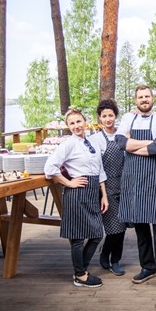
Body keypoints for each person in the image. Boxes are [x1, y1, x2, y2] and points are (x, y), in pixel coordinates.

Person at [116, 86, 156, 296]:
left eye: (147, 96)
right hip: (133, 178)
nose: (144, 99)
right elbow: (120, 142)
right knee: (141, 227)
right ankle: (148, 267)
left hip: (155, 179)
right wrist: (145, 143)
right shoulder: (127, 118)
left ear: (153, 99)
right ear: (136, 100)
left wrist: (133, 146)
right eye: (140, 97)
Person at [44, 107, 109, 288]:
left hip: (93, 192)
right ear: (68, 127)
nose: (76, 126)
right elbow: (50, 168)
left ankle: (80, 271)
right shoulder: (68, 144)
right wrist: (69, 182)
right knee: (78, 237)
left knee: (97, 234)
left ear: (85, 122)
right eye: (71, 123)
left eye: (78, 121)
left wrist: (103, 196)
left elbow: (100, 170)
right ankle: (80, 275)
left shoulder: (93, 143)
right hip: (77, 193)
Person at [91, 99, 127, 276]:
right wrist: (103, 193)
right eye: (104, 116)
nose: (108, 119)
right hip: (107, 187)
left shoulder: (122, 135)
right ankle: (114, 260)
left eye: (110, 115)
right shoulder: (96, 139)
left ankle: (107, 253)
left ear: (115, 116)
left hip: (125, 185)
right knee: (115, 226)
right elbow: (97, 168)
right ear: (99, 118)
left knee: (122, 226)